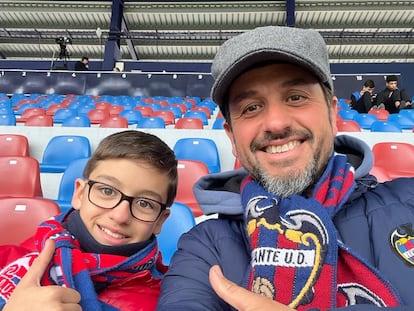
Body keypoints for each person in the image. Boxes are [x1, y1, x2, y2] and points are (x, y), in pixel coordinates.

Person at [157, 25, 414, 310]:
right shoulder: (204, 247)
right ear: (231, 137)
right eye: (251, 107)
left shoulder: (409, 200)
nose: (276, 123)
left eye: (295, 97)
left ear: (332, 112)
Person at [0, 130, 178, 311]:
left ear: (160, 221)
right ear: (79, 194)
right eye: (107, 191)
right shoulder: (6, 260)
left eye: (144, 203)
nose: (120, 216)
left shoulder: (169, 300)